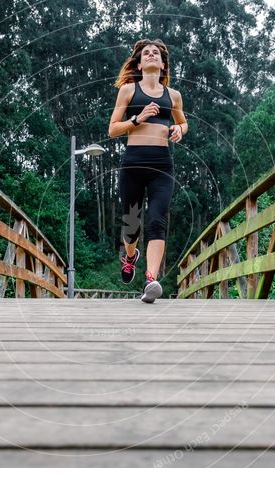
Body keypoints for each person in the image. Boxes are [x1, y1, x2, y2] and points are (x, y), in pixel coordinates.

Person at [108, 38, 188, 303]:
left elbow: (183, 122)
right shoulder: (129, 91)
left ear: (162, 65)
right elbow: (113, 129)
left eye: (156, 53)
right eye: (146, 53)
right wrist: (137, 118)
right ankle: (130, 256)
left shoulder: (173, 95)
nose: (151, 55)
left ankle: (151, 280)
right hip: (133, 163)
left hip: (162, 165)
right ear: (140, 64)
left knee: (157, 220)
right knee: (131, 226)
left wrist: (179, 129)